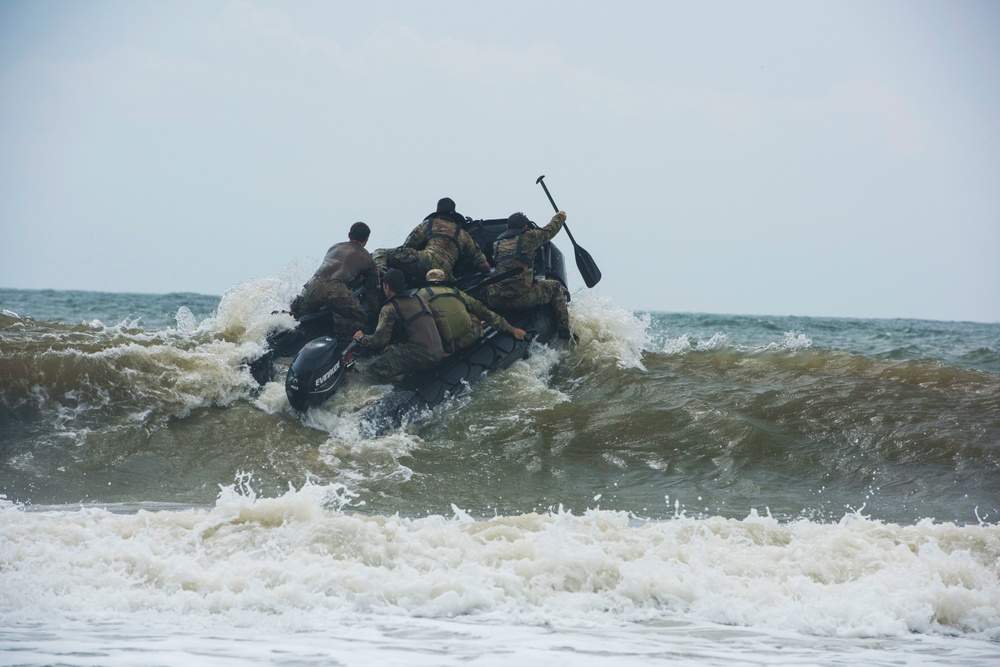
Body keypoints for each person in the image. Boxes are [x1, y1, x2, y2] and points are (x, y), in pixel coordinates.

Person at [486, 210, 574, 340]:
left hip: (498, 300)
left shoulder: (497, 244)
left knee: (488, 283)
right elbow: (550, 231)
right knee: (555, 286)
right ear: (526, 227)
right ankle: (564, 330)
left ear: (507, 227)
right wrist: (560, 217)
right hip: (523, 298)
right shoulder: (529, 238)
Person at [352, 268, 444, 383]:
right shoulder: (419, 298)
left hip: (423, 356)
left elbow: (379, 340)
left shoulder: (390, 308)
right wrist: (449, 347)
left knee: (371, 369)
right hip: (438, 352)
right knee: (391, 350)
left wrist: (361, 338)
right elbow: (441, 319)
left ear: (386, 287)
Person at [288, 221, 379, 337]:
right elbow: (372, 292)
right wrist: (376, 316)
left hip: (314, 283)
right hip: (337, 289)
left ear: (349, 235)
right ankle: (338, 334)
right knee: (362, 317)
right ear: (366, 240)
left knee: (295, 315)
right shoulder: (368, 259)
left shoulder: (334, 247)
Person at [373, 197, 491, 282]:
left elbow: (408, 247)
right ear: (454, 212)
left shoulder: (429, 224)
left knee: (381, 252)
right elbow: (484, 265)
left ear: (437, 210)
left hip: (425, 260)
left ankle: (381, 274)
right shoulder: (464, 234)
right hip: (446, 274)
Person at [417, 269, 526, 355]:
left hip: (443, 345)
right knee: (473, 315)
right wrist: (512, 330)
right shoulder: (456, 292)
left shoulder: (418, 297)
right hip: (468, 338)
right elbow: (484, 312)